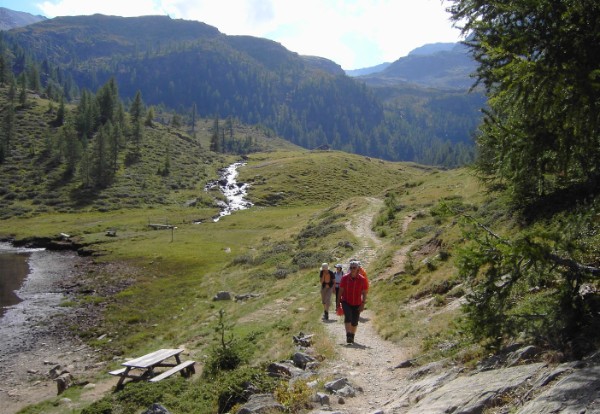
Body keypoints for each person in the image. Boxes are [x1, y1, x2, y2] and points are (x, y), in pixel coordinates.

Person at [336, 260, 368, 344]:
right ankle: (348, 335)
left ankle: (352, 336)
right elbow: (340, 291)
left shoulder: (362, 279)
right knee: (348, 316)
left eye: (354, 267)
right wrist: (338, 303)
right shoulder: (345, 278)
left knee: (355, 321)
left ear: (358, 269)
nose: (352, 269)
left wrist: (363, 304)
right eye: (351, 267)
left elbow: (364, 292)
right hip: (346, 301)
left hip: (357, 303)